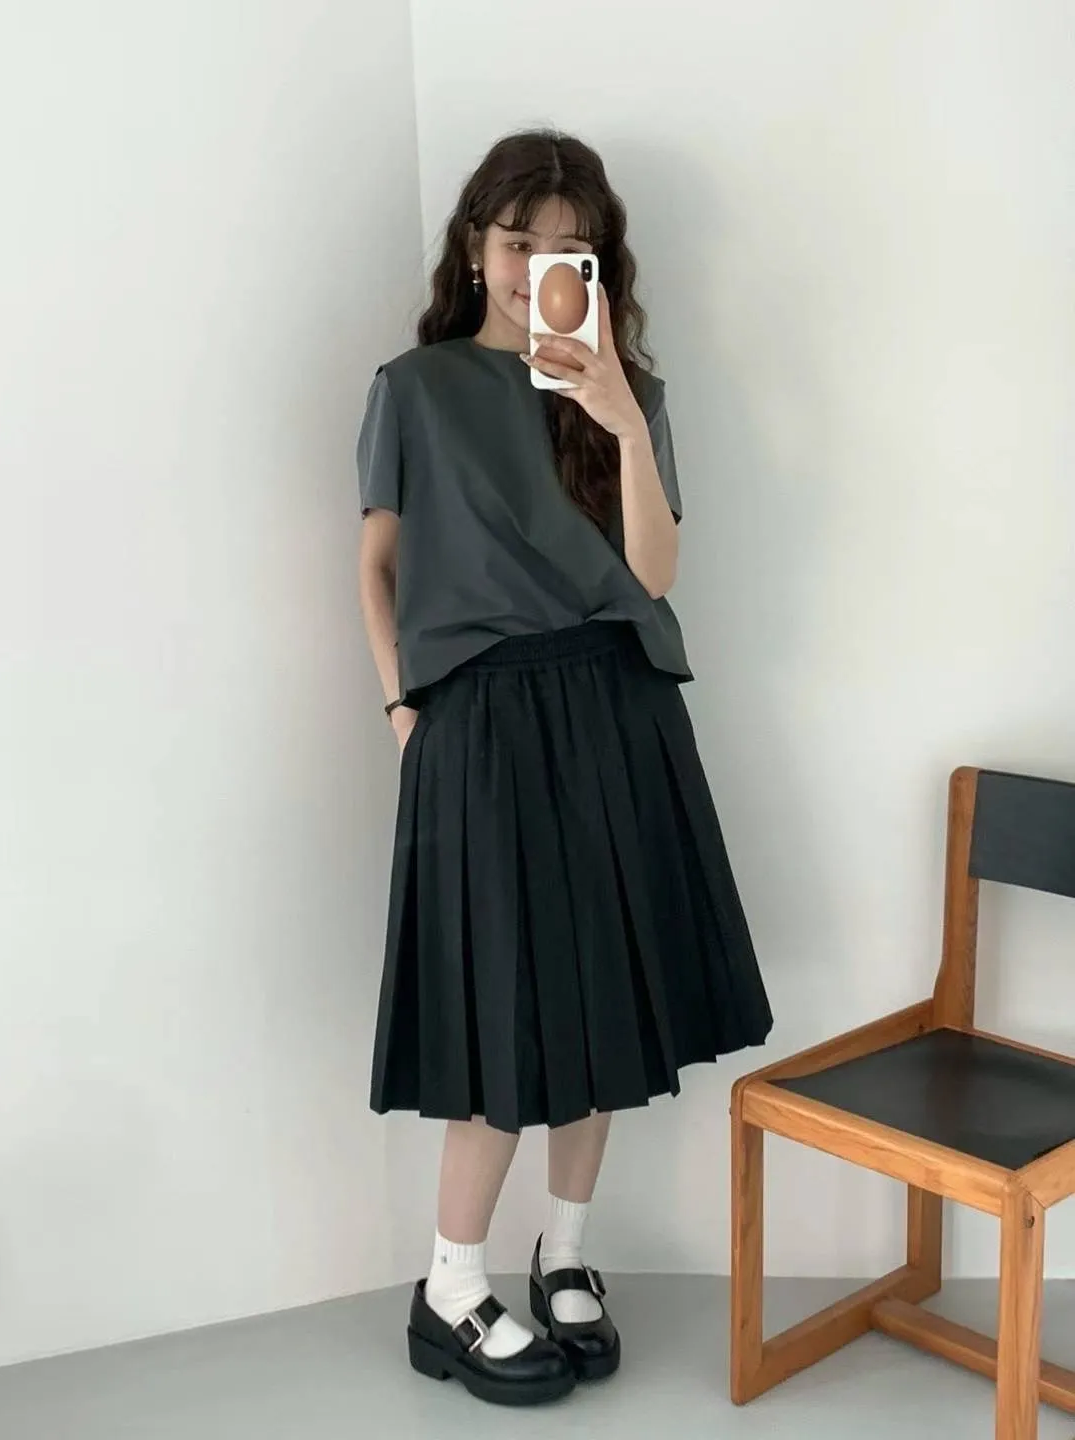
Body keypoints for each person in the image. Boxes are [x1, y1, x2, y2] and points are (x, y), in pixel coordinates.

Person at [356, 128, 773, 1408]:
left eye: (566, 248)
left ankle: (568, 1255)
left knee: (605, 1003)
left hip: (617, 706)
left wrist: (622, 422)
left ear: (597, 265)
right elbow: (376, 566)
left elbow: (653, 575)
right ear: (474, 248)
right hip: (482, 718)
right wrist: (402, 710)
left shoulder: (629, 394)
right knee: (501, 1013)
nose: (537, 264)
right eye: (515, 240)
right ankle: (450, 1286)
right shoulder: (416, 388)